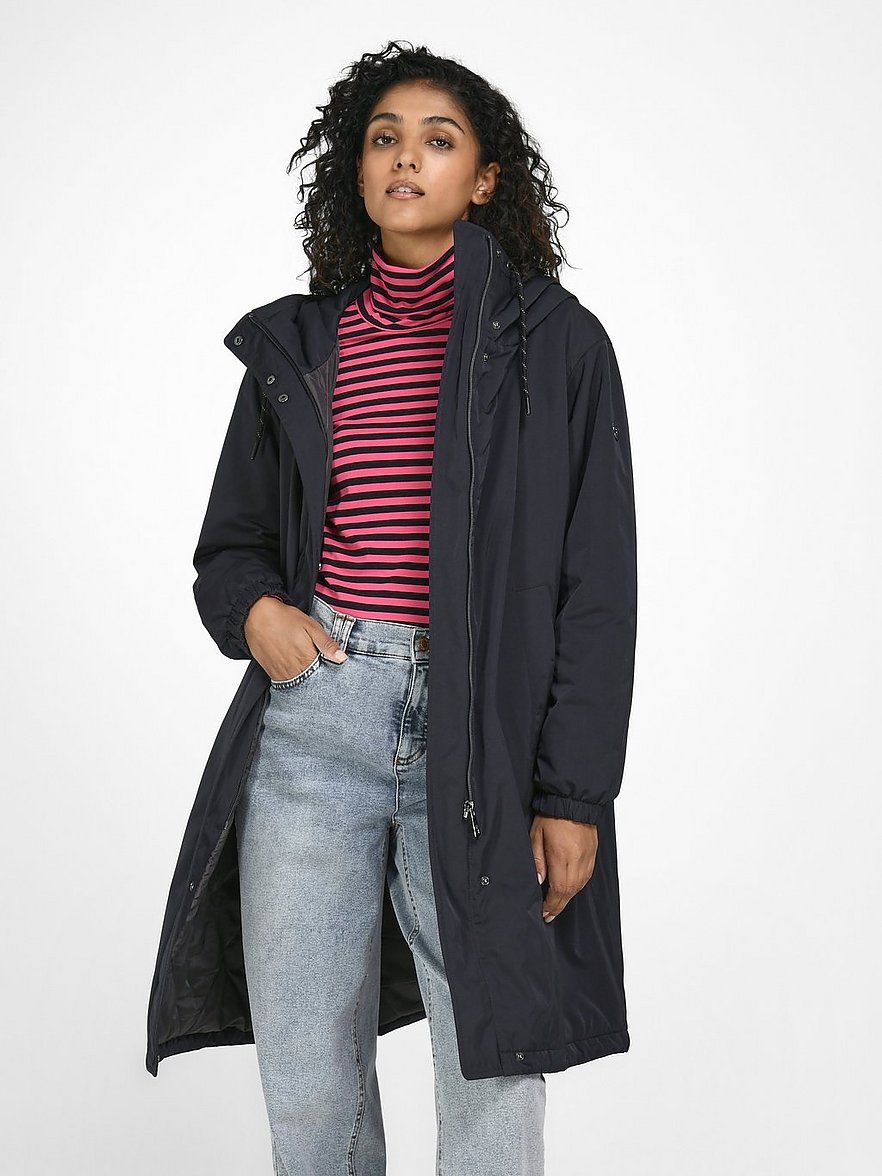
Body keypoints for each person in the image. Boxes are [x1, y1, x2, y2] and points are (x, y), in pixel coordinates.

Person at [145, 39, 638, 1176]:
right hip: (316, 721)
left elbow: (598, 588)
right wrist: (259, 615)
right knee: (308, 1072)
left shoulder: (557, 347)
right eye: (384, 139)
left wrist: (571, 794)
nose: (407, 158)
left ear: (486, 179)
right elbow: (230, 547)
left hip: (483, 736)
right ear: (356, 171)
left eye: (438, 140)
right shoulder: (298, 345)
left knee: (490, 1061)